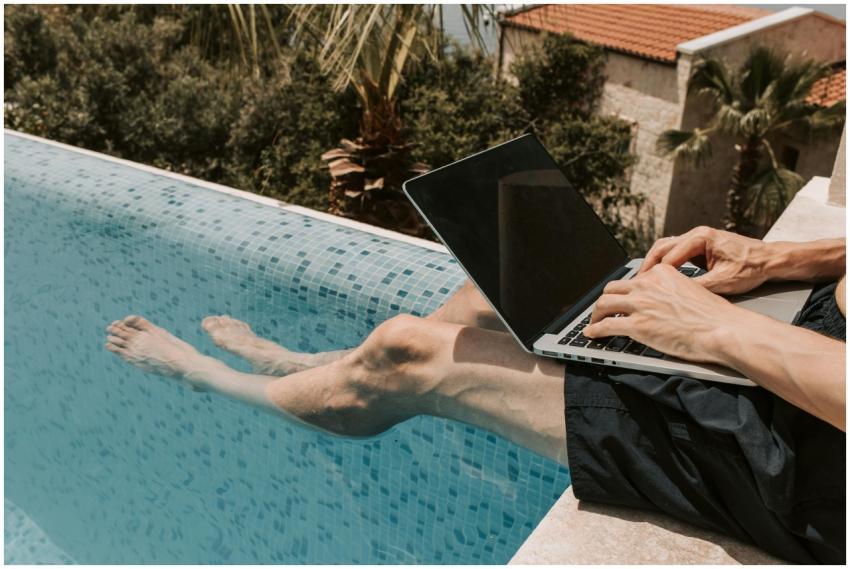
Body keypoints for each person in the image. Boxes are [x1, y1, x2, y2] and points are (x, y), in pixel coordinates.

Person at [106, 226, 845, 563]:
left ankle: (212, 377)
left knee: (408, 353)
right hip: (813, 334)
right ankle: (311, 363)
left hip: (807, 449)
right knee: (491, 295)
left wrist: (716, 330)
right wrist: (793, 255)